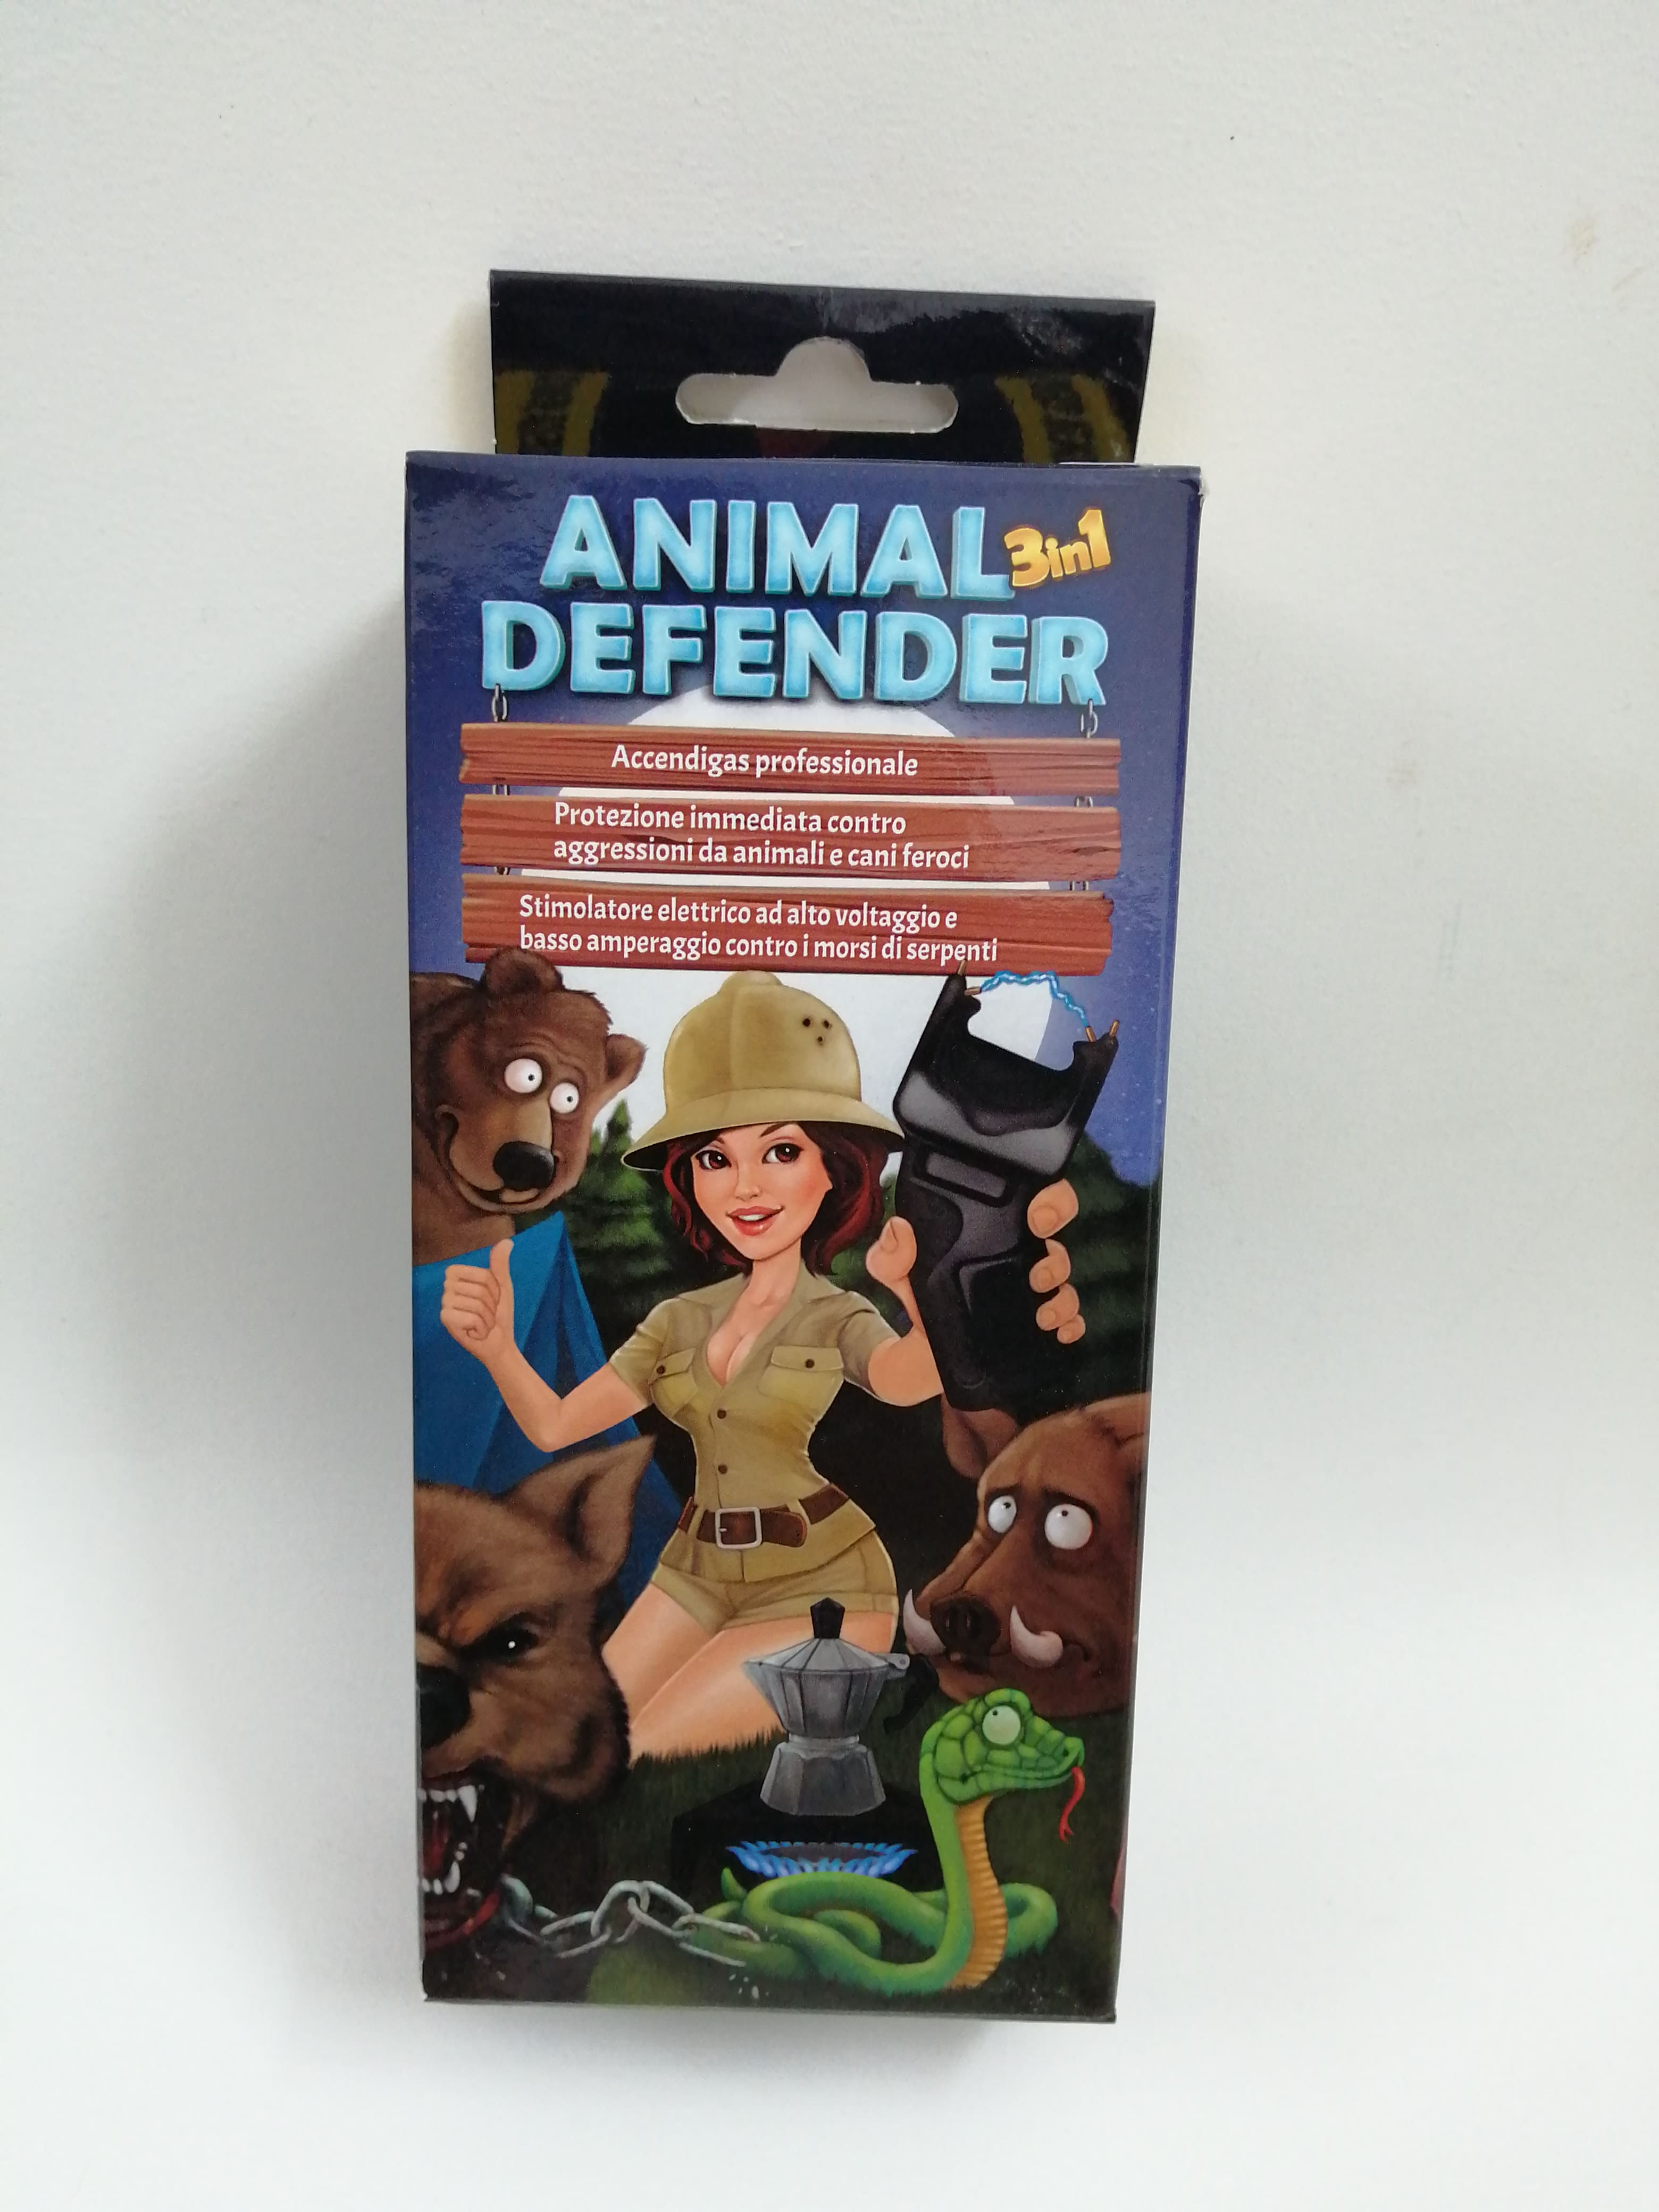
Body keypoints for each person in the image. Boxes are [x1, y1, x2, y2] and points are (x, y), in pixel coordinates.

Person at [440, 972, 1082, 1758]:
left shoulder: (832, 1314)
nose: (744, 1188)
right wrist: (498, 1348)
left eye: (781, 1151)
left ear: (834, 1169)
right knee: (591, 1732)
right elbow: (554, 1425)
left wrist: (915, 1295)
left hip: (825, 1580)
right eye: (715, 1158)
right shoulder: (677, 1321)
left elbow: (907, 1378)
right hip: (694, 1569)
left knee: (640, 1745)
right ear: (688, 1176)